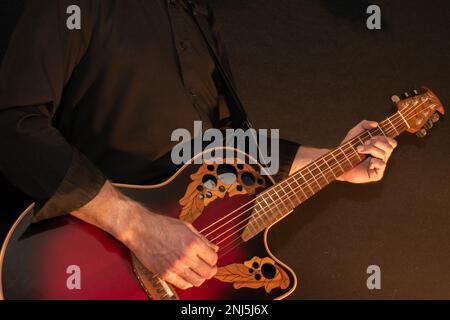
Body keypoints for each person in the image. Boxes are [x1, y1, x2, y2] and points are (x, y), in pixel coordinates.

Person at [0, 0, 397, 290]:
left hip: (189, 285)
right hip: (83, 267)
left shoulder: (197, 15)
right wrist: (138, 228)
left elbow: (224, 149)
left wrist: (335, 162)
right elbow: (12, 125)